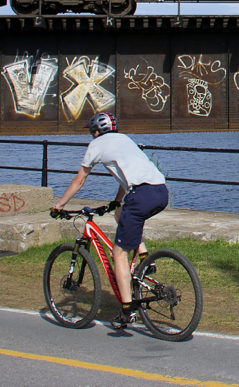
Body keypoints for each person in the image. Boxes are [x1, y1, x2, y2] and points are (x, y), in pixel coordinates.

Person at [51, 112, 170, 330]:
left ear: (96, 131)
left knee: (119, 254)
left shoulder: (96, 145)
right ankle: (144, 257)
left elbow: (79, 179)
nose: (91, 135)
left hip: (140, 195)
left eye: (91, 131)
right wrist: (116, 202)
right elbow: (127, 178)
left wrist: (59, 205)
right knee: (120, 214)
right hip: (160, 192)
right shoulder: (124, 139)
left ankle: (126, 311)